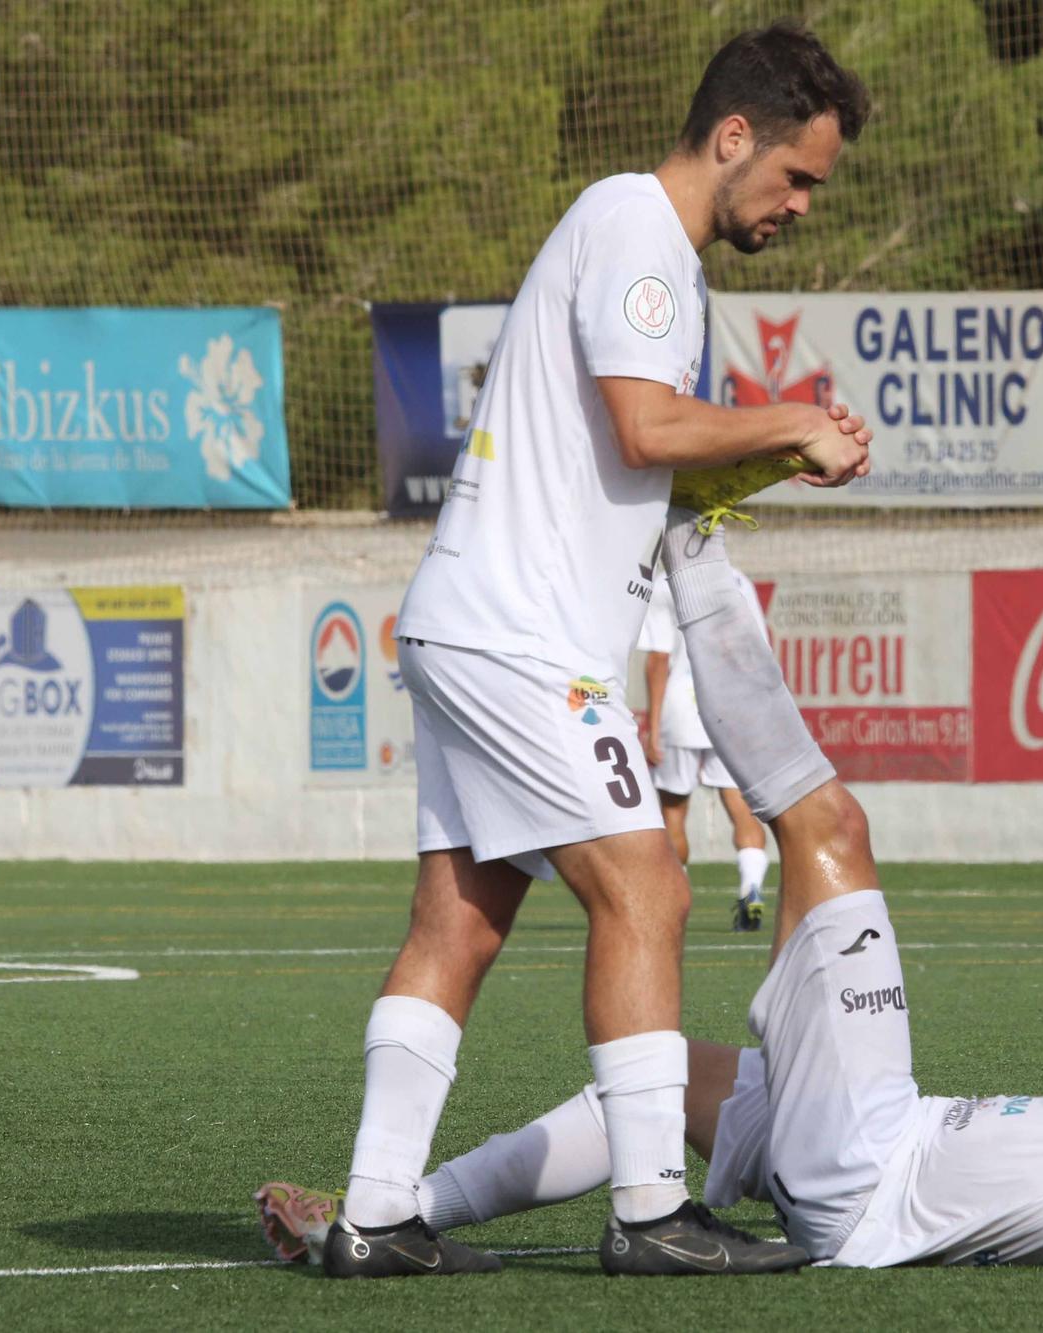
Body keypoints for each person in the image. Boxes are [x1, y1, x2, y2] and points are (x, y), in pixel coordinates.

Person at [261, 510, 1043, 1272]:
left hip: (869, 1171)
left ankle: (691, 538)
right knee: (670, 1079)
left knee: (826, 826)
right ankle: (386, 1210)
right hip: (876, 1144)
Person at [324, 22, 872, 1279]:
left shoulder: (650, 251)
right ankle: (648, 1211)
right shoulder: (639, 229)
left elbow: (662, 474)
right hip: (520, 637)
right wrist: (789, 413)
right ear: (732, 137)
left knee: (458, 922)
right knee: (650, 885)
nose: (798, 205)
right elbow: (643, 425)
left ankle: (374, 1212)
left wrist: (787, 451)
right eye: (796, 177)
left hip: (475, 621)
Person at [638, 568, 773, 932]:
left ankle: (672, 901)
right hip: (731, 706)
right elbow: (759, 647)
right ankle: (752, 886)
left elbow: (658, 660)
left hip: (682, 708)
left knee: (673, 810)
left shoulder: (665, 585)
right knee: (741, 807)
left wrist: (653, 727)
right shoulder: (738, 579)